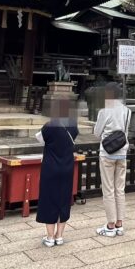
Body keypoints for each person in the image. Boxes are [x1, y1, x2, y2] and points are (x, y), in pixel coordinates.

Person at [35, 99, 79, 247]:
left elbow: (40, 139)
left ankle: (49, 237)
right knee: (64, 199)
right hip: (67, 167)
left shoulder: (49, 126)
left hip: (50, 168)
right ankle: (59, 236)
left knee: (49, 199)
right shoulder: (73, 126)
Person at [93, 83, 130, 237]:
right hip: (122, 153)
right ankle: (119, 224)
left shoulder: (104, 111)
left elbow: (96, 133)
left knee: (108, 189)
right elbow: (125, 132)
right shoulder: (127, 111)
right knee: (120, 189)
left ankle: (110, 225)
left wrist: (104, 137)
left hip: (107, 153)